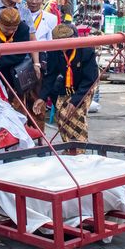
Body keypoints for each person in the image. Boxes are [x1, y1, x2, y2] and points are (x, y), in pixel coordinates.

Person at [33, 24, 99, 153]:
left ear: (73, 38)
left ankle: (80, 151)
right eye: (58, 44)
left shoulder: (86, 50)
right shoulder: (54, 50)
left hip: (84, 86)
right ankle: (68, 148)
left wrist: (75, 101)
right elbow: (51, 74)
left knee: (76, 115)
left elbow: (89, 79)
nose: (61, 48)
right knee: (61, 115)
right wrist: (42, 97)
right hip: (66, 84)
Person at [0, 8, 35, 134]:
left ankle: (17, 140)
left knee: (17, 110)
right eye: (7, 28)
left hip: (16, 77)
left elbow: (20, 54)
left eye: (13, 29)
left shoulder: (23, 29)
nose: (10, 32)